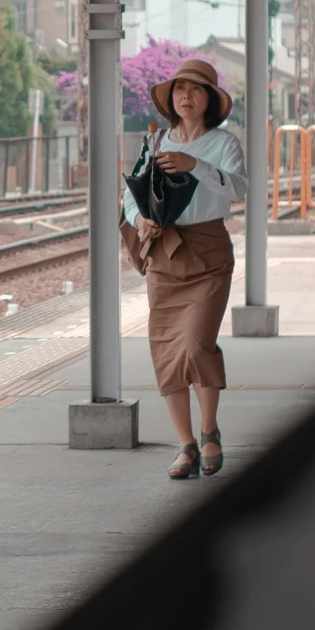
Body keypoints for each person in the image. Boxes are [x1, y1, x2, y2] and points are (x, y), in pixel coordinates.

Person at [121, 58, 246, 479]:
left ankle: (210, 432)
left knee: (196, 345)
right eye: (179, 90)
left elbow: (241, 188)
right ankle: (186, 445)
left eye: (194, 89)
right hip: (165, 256)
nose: (185, 96)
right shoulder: (156, 143)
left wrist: (197, 167)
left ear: (209, 98)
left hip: (209, 254)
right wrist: (140, 219)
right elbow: (131, 193)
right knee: (167, 353)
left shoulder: (224, 144)